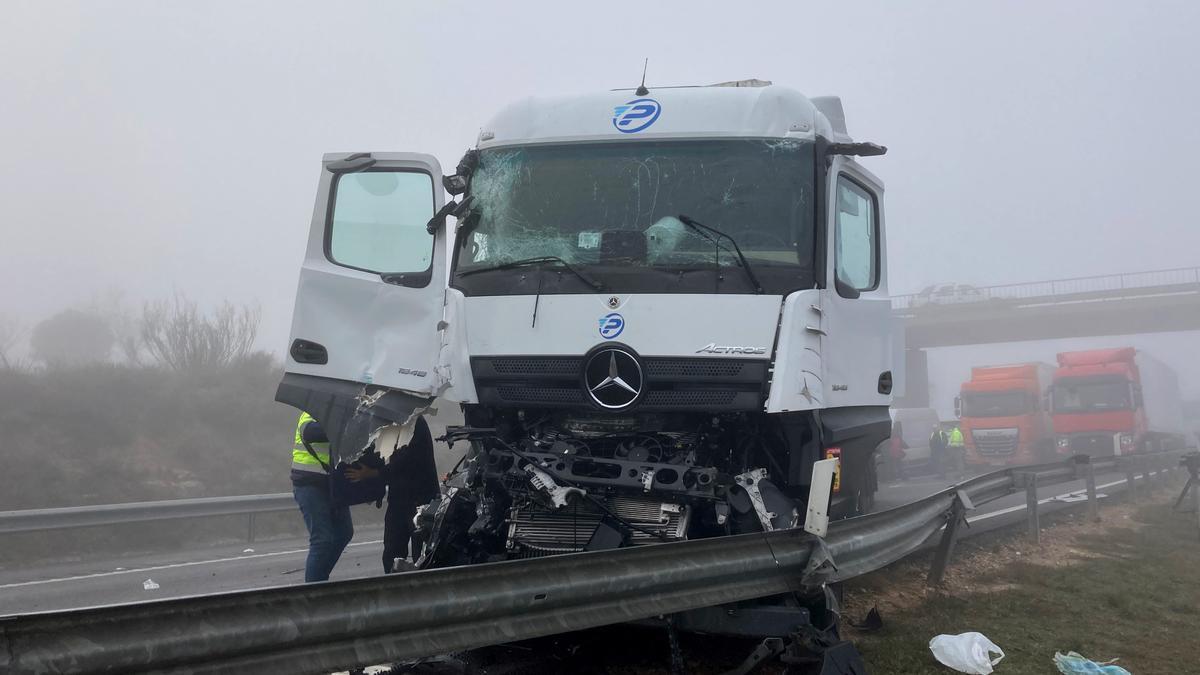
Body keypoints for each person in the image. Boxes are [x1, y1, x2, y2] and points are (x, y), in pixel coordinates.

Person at [346, 416, 440, 573]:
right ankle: (393, 586)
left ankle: (421, 588)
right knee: (392, 551)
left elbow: (406, 462)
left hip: (421, 499)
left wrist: (374, 474)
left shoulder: (414, 424)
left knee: (422, 553)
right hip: (398, 498)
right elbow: (382, 455)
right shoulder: (392, 425)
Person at [291, 411, 354, 583]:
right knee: (322, 540)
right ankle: (314, 593)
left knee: (344, 532)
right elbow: (310, 432)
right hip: (308, 482)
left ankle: (319, 579)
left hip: (331, 483)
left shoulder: (341, 416)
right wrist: (343, 426)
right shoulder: (310, 411)